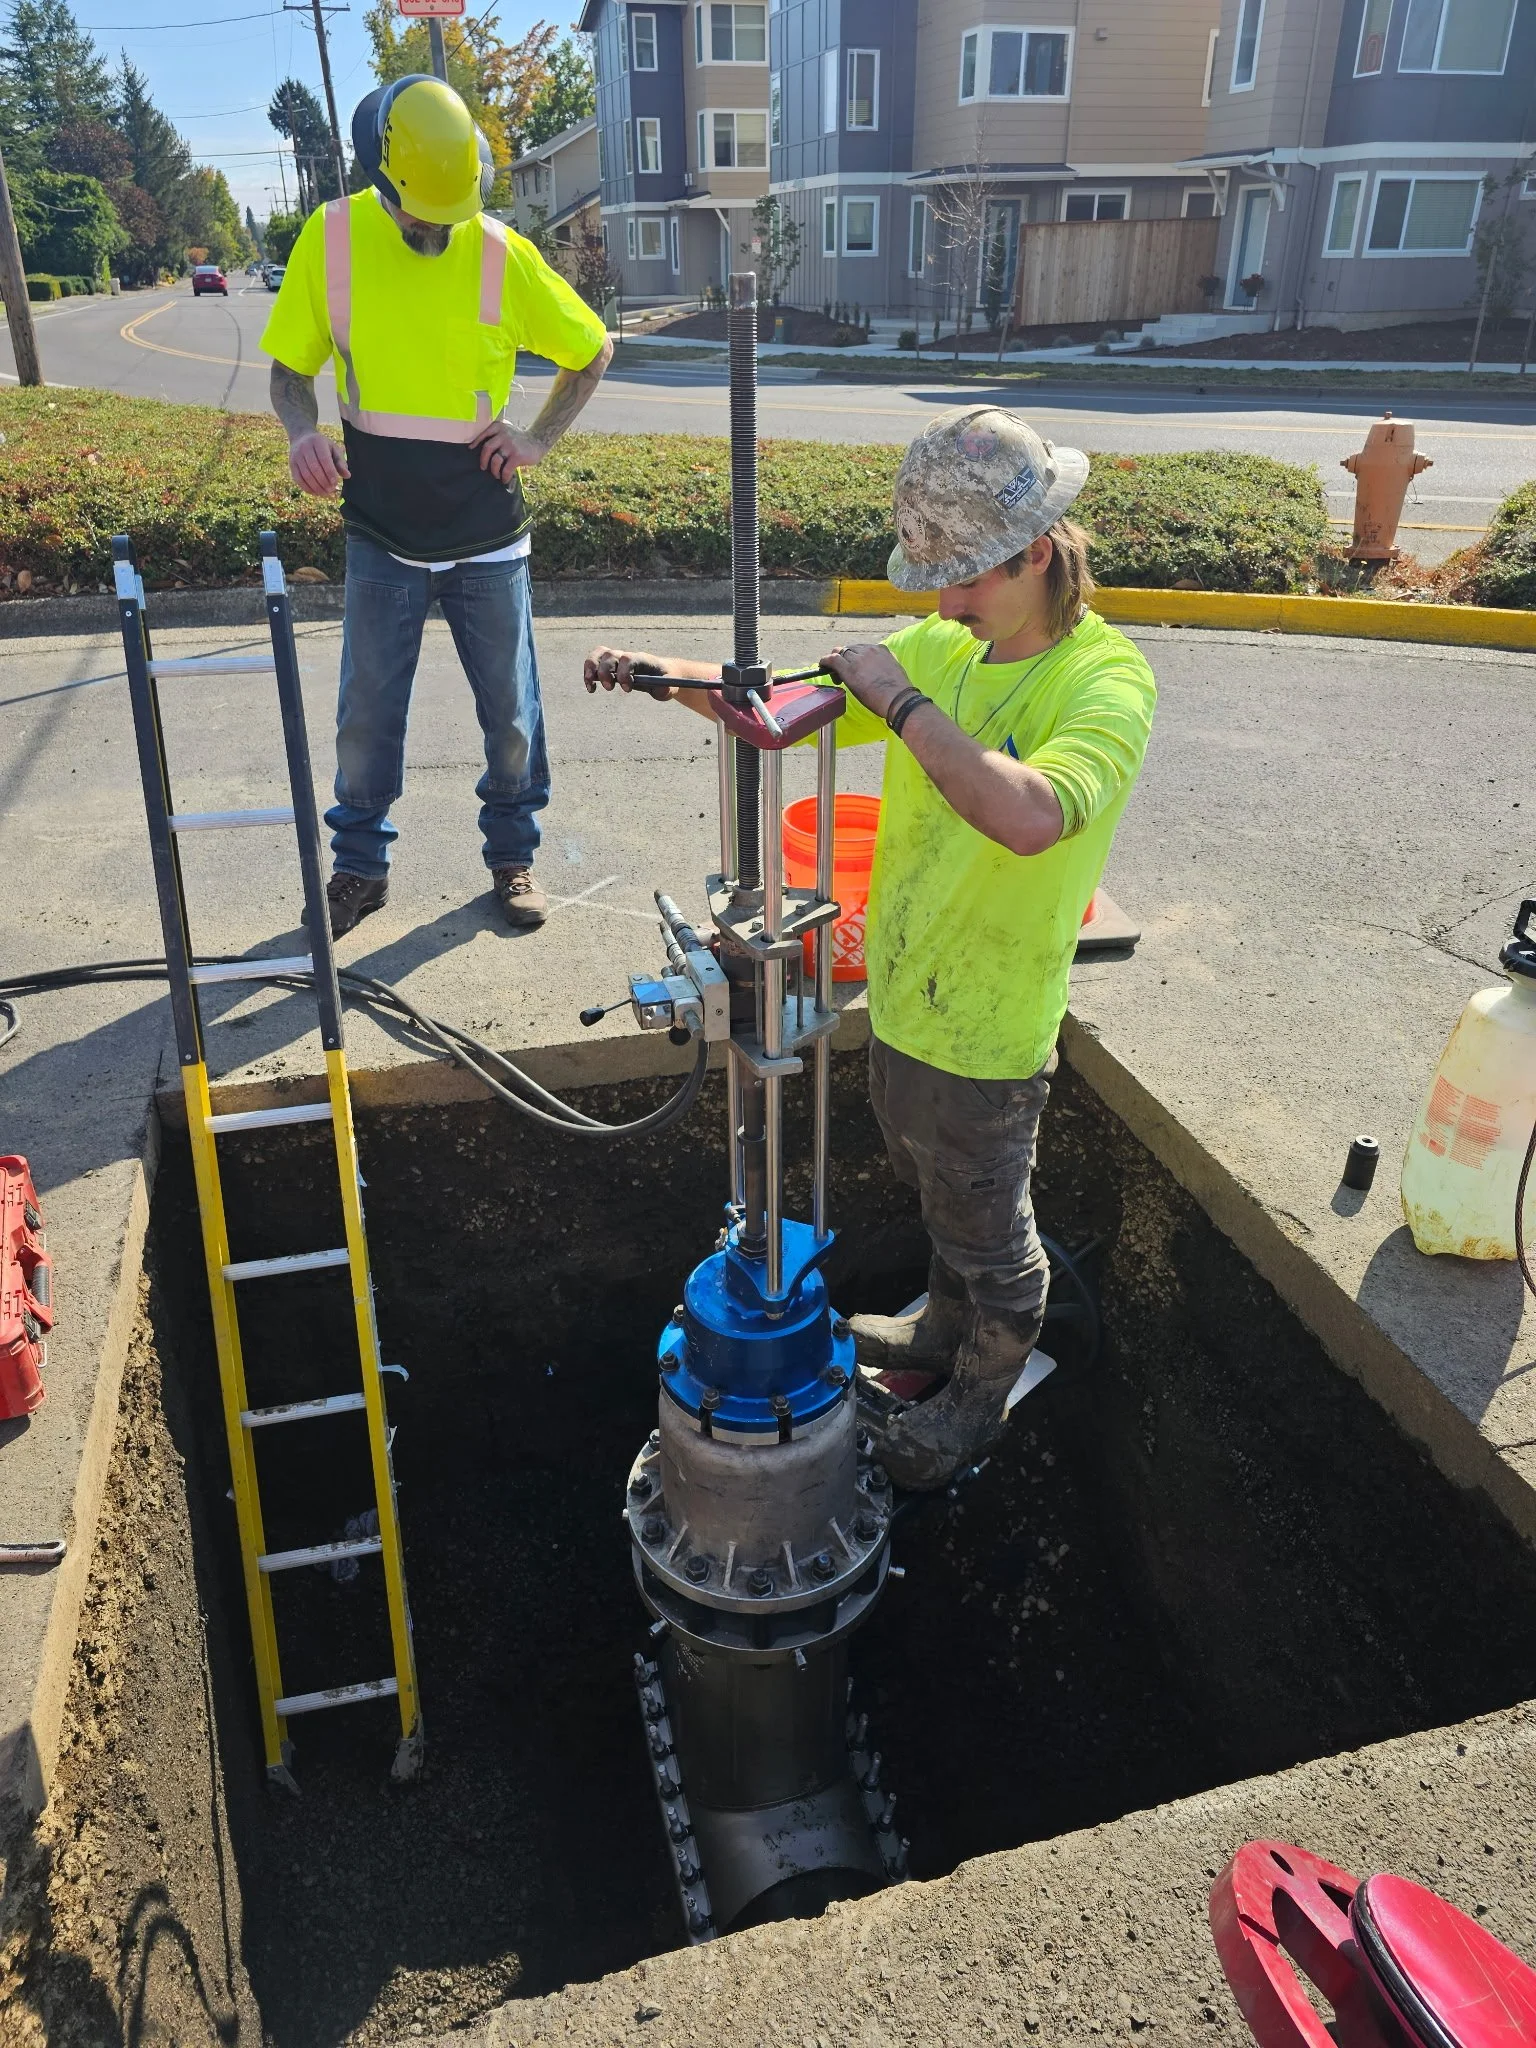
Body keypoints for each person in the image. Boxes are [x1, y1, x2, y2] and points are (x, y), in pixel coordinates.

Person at [582, 407, 1156, 1490]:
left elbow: (1030, 813)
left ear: (1038, 552)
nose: (941, 604)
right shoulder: (951, 644)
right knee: (942, 1199)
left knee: (993, 1239)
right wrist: (665, 670)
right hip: (902, 1002)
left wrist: (898, 694)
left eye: (966, 578)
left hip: (988, 1028)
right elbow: (785, 705)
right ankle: (940, 1334)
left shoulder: (1104, 683)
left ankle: (973, 1404)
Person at [261, 74, 612, 937]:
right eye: (422, 217)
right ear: (381, 178)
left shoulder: (497, 251)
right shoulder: (331, 239)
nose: (435, 233)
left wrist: (535, 441)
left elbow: (592, 347)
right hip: (380, 529)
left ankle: (512, 855)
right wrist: (302, 432)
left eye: (450, 218)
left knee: (512, 717)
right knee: (367, 716)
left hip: (486, 533)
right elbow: (287, 371)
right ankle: (359, 870)